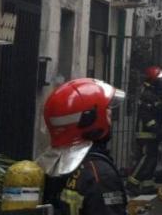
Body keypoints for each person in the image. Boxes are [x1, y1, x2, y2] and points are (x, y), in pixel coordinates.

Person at [37, 78, 128, 215]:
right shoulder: (99, 175)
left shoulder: (47, 165)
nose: (110, 118)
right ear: (90, 119)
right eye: (107, 110)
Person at [127, 66, 162, 195]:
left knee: (153, 159)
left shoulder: (153, 93)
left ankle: (147, 185)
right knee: (146, 158)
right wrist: (155, 128)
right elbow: (146, 115)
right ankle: (132, 182)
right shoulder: (147, 95)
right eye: (159, 80)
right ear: (153, 80)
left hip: (153, 132)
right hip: (146, 132)